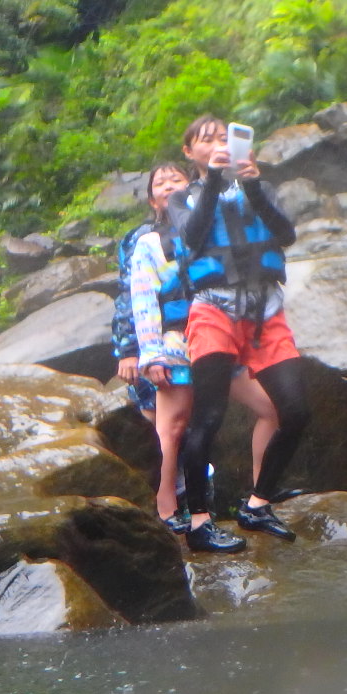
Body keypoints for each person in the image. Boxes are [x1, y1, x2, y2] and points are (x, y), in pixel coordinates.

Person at [166, 115, 313, 553]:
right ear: (189, 152)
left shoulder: (259, 186)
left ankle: (257, 504)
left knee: (296, 411)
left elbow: (285, 234)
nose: (216, 144)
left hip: (265, 310)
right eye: (205, 140)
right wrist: (213, 180)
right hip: (214, 309)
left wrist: (252, 186)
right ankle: (199, 522)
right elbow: (192, 237)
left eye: (222, 138)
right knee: (208, 418)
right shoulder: (181, 198)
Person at [119, 161, 282, 534]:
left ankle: (260, 497)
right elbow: (142, 301)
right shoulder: (148, 244)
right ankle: (167, 511)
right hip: (176, 342)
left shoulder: (214, 231)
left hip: (221, 336)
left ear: (190, 187)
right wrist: (150, 354)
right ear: (152, 201)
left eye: (175, 179)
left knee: (270, 408)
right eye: (159, 183)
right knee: (172, 427)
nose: (168, 185)